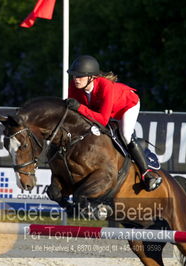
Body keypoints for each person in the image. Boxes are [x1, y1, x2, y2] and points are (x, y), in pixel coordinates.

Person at [65, 55, 162, 191]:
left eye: (80, 76)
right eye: (74, 76)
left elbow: (103, 120)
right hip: (102, 109)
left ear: (91, 77)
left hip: (127, 105)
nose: (75, 79)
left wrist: (80, 108)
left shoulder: (106, 86)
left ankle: (147, 174)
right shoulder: (74, 87)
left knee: (126, 135)